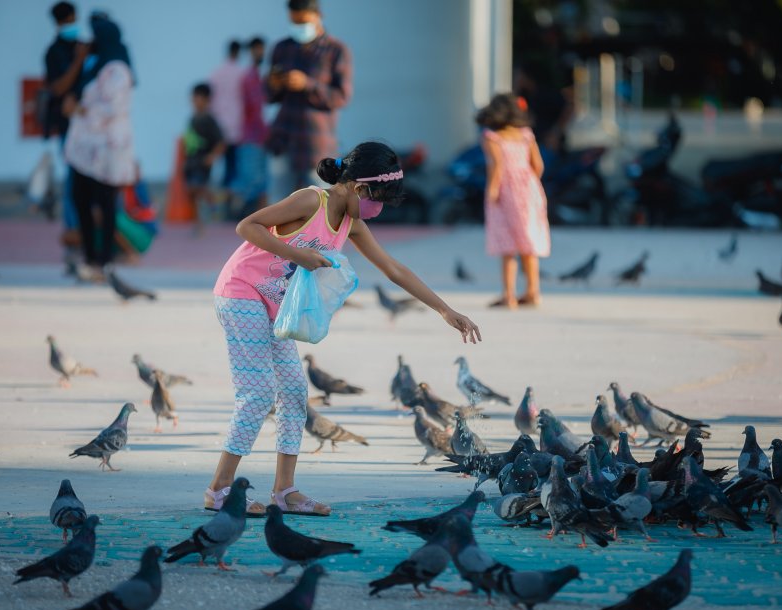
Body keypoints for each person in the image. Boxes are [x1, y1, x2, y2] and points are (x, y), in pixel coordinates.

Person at [209, 141, 481, 516]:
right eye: (377, 198)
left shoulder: (352, 224)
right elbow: (247, 225)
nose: (378, 208)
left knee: (293, 390)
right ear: (357, 188)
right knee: (257, 393)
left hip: (274, 306)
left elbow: (395, 269)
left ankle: (285, 491)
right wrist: (297, 254)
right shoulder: (310, 202)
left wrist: (445, 310)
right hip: (240, 293)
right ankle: (219, 491)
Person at [63, 11, 136, 280]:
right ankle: (90, 257)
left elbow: (111, 109)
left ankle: (104, 261)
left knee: (105, 207)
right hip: (86, 153)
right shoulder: (96, 64)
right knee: (81, 201)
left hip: (107, 151)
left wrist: (79, 110)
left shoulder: (118, 70)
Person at [265, 0, 352, 203]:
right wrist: (275, 84)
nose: (298, 27)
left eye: (302, 21)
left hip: (317, 144)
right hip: (283, 139)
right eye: (294, 22)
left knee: (322, 208)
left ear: (318, 15)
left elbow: (342, 97)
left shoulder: (336, 50)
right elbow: (268, 96)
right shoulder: (281, 48)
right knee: (278, 207)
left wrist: (307, 84)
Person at [478, 93, 550, 309]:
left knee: (507, 245)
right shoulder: (526, 135)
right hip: (529, 190)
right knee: (528, 243)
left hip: (505, 191)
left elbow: (496, 166)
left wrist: (491, 194)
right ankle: (532, 292)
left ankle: (509, 296)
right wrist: (527, 182)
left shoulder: (491, 137)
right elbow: (538, 166)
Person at [43, 1, 88, 250]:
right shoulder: (54, 52)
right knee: (72, 183)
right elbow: (58, 88)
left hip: (90, 129)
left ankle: (88, 231)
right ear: (62, 21)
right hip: (68, 130)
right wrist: (78, 61)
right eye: (70, 20)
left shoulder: (83, 46)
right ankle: (73, 232)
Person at [232, 36, 269, 214]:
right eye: (256, 49)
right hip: (252, 137)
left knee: (262, 182)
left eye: (261, 49)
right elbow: (253, 111)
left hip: (262, 137)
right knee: (252, 181)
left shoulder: (263, 76)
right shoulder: (248, 78)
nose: (260, 53)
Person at [183, 83, 225, 230]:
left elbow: (221, 141)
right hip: (191, 163)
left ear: (207, 100)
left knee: (198, 187)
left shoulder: (209, 119)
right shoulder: (192, 118)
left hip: (202, 162)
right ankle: (198, 222)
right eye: (193, 98)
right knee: (191, 192)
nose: (195, 101)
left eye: (198, 98)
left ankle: (213, 206)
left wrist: (212, 156)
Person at [209, 40, 247, 199]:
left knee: (221, 165)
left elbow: (211, 100)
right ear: (239, 52)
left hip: (219, 128)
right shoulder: (242, 73)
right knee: (234, 166)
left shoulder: (216, 73)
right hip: (237, 128)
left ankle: (221, 198)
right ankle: (229, 199)